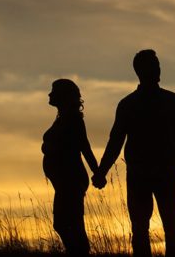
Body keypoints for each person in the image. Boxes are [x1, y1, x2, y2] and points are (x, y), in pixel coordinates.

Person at [92, 49, 175, 257]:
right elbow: (115, 141)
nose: (158, 68)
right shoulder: (128, 105)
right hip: (139, 175)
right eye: (153, 65)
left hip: (165, 172)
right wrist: (101, 171)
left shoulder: (172, 101)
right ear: (140, 71)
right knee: (139, 229)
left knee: (172, 227)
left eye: (157, 64)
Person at [43, 78, 99, 256]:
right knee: (65, 223)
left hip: (71, 181)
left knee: (69, 223)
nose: (50, 94)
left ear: (63, 96)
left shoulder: (73, 119)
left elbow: (85, 148)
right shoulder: (63, 118)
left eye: (53, 91)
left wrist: (97, 173)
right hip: (64, 182)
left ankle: (80, 252)